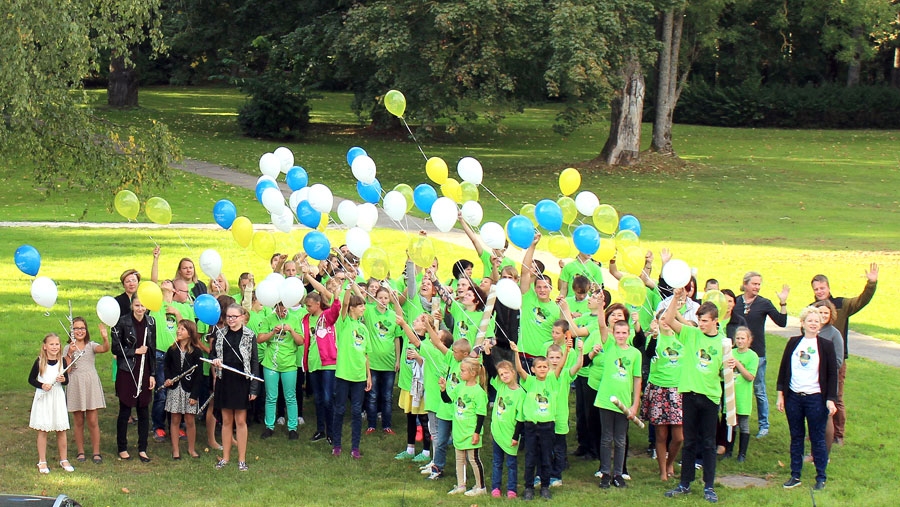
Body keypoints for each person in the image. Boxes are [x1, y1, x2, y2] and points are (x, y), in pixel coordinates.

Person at [664, 288, 724, 504]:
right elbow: (669, 320)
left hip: (710, 397)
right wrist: (675, 298)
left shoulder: (723, 343)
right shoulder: (691, 334)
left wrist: (731, 366)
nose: (702, 324)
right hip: (690, 394)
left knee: (708, 443)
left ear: (716, 321)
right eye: (699, 319)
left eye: (706, 321)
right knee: (689, 442)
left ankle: (709, 485)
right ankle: (685, 483)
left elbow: (726, 373)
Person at [810, 263, 877, 445]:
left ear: (828, 287)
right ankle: (817, 430)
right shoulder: (812, 308)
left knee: (836, 397)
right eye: (816, 289)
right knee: (815, 396)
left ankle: (838, 435)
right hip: (814, 361)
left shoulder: (841, 305)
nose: (820, 291)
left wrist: (871, 283)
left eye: (822, 288)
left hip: (836, 361)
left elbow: (861, 300)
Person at [776, 306, 838, 491]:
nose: (813, 324)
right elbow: (783, 370)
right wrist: (781, 394)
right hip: (794, 397)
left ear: (820, 325)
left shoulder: (826, 345)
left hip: (816, 398)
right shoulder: (794, 342)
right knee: (796, 437)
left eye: (816, 321)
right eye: (809, 321)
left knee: (817, 438)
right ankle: (795, 475)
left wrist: (830, 399)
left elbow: (832, 374)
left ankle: (821, 476)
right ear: (802, 323)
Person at [733, 271, 789, 438]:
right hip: (737, 353)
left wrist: (783, 303)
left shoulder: (764, 303)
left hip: (756, 354)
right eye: (754, 284)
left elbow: (782, 322)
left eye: (759, 284)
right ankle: (733, 423)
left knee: (759, 389)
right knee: (734, 387)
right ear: (745, 284)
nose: (757, 287)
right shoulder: (736, 302)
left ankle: (764, 425)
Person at [209, 304, 260, 471]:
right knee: (226, 421)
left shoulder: (249, 335)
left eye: (234, 316)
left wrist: (253, 388)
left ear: (242, 317)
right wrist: (215, 361)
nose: (231, 320)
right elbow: (213, 355)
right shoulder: (220, 334)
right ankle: (225, 458)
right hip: (225, 380)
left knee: (240, 421)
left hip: (241, 381)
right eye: (228, 316)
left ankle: (242, 460)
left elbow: (253, 362)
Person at [109, 295, 157, 462]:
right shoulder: (121, 322)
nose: (140, 308)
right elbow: (116, 348)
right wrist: (135, 351)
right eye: (137, 305)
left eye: (143, 305)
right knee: (125, 410)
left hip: (144, 371)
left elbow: (152, 349)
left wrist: (152, 374)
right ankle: (122, 447)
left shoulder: (151, 322)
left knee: (144, 410)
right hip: (127, 370)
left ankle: (143, 448)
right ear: (132, 306)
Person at [595, 319, 642, 489]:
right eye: (617, 332)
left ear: (628, 334)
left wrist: (635, 405)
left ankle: (618, 474)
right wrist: (600, 304)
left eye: (624, 332)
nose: (621, 335)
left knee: (620, 440)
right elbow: (601, 325)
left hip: (624, 403)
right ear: (613, 333)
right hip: (606, 400)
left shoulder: (635, 353)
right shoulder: (608, 347)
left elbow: (637, 379)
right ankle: (605, 473)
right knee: (606, 438)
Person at [510, 341, 557, 500]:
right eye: (539, 367)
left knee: (546, 458)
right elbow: (519, 369)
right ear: (533, 369)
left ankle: (545, 486)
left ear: (549, 369)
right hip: (531, 427)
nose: (542, 369)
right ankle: (528, 487)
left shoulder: (551, 381)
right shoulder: (529, 382)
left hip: (547, 427)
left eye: (545, 367)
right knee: (530, 459)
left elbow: (561, 366)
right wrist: (516, 352)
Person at [641, 311, 684, 481]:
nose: (666, 322)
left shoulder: (681, 337)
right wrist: (653, 335)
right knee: (661, 435)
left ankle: (670, 462)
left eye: (669, 319)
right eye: (662, 319)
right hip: (659, 389)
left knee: (679, 436)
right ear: (656, 322)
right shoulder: (654, 338)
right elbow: (650, 353)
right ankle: (663, 471)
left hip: (678, 390)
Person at [332, 289, 373, 459]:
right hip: (343, 375)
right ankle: (337, 445)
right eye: (360, 305)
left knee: (356, 412)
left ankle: (355, 447)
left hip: (359, 376)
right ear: (352, 309)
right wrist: (348, 288)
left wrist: (368, 376)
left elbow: (366, 354)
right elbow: (344, 305)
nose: (363, 308)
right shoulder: (343, 323)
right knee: (340, 410)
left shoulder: (363, 328)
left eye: (364, 305)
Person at [63, 317, 109, 465]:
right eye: (76, 328)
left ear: (86, 330)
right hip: (76, 383)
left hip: (90, 384)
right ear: (72, 331)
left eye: (82, 328)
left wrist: (105, 338)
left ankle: (96, 452)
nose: (79, 331)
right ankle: (80, 451)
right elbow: (67, 370)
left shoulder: (90, 346)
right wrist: (70, 353)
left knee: (93, 420)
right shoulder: (67, 348)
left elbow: (104, 349)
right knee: (78, 420)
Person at [441, 357, 489, 497]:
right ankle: (461, 484)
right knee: (460, 459)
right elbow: (448, 400)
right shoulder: (460, 386)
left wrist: (476, 433)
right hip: (459, 431)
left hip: (470, 432)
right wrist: (443, 389)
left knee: (473, 459)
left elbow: (481, 415)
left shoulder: (479, 392)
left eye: (463, 371)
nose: (460, 373)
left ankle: (481, 487)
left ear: (473, 373)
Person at [482, 343, 525, 499]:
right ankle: (496, 488)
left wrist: (515, 437)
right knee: (497, 462)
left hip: (510, 434)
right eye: (501, 374)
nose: (504, 376)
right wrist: (487, 353)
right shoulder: (500, 386)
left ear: (513, 373)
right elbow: (490, 369)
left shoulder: (520, 393)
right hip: (497, 432)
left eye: (506, 373)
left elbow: (520, 418)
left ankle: (512, 489)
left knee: (511, 464)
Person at [257, 303, 304, 440]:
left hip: (289, 364)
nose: (282, 310)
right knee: (271, 396)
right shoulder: (268, 319)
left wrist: (291, 330)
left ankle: (292, 428)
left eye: (284, 307)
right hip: (271, 363)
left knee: (290, 396)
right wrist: (273, 332)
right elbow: (259, 339)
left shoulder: (294, 319)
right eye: (279, 307)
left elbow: (301, 341)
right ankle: (269, 426)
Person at [29, 333, 72, 474]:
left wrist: (62, 380)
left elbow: (66, 381)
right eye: (51, 344)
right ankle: (42, 460)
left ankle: (64, 459)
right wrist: (42, 385)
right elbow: (31, 379)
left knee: (61, 430)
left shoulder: (62, 361)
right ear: (45, 346)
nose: (54, 347)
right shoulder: (40, 361)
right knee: (43, 430)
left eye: (57, 344)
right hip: (44, 397)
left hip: (57, 397)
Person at [163, 320, 203, 459]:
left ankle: (191, 449)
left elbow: (198, 376)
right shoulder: (172, 350)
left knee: (190, 420)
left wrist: (194, 395)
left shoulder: (197, 352)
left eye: (182, 329)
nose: (178, 331)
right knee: (175, 419)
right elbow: (166, 366)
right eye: (178, 328)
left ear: (190, 333)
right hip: (175, 389)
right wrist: (168, 379)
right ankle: (176, 450)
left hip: (189, 390)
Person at [813, 300, 844, 454]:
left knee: (826, 419)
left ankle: (824, 455)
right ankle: (814, 453)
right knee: (813, 419)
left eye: (826, 312)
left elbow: (838, 361)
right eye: (820, 312)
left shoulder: (834, 334)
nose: (823, 315)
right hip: (809, 382)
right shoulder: (810, 331)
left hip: (826, 382)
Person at [724, 327, 758, 462]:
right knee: (730, 423)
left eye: (743, 338)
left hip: (743, 395)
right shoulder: (730, 352)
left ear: (749, 340)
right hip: (730, 394)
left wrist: (737, 364)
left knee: (743, 423)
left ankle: (742, 454)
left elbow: (750, 376)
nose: (740, 341)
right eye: (737, 338)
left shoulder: (752, 356)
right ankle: (728, 450)